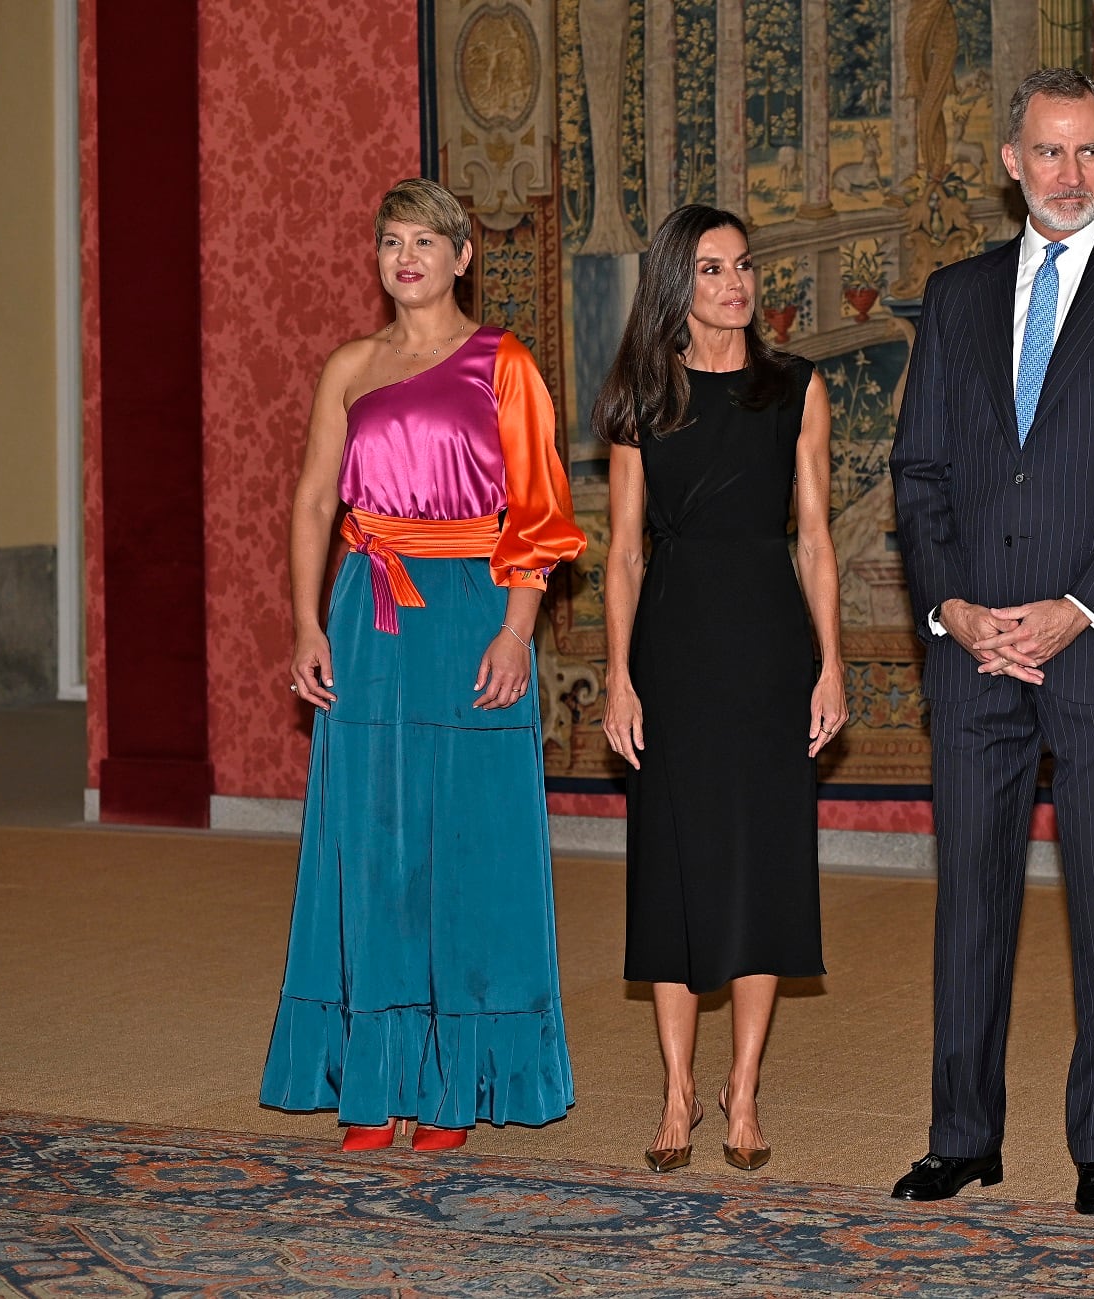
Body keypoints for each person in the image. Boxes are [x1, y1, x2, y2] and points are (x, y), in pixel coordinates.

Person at [887, 67, 1094, 1217]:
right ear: (1010, 162)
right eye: (1046, 152)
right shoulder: (955, 294)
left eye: (1086, 152)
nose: (1066, 174)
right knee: (969, 904)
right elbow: (919, 472)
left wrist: (1076, 608)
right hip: (973, 650)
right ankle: (961, 1136)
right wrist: (953, 608)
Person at [261, 178, 585, 1150]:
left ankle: (456, 1082)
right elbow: (314, 502)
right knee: (373, 842)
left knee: (469, 845)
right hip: (367, 613)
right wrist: (306, 624)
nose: (405, 259)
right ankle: (379, 1074)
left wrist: (516, 631)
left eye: (424, 242)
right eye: (390, 242)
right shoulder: (350, 366)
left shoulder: (504, 364)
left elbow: (538, 511)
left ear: (461, 257)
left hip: (474, 612)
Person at [594, 205, 844, 1175]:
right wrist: (619, 677)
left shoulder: (795, 389)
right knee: (672, 866)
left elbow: (814, 539)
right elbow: (622, 553)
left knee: (758, 866)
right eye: (711, 269)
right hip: (674, 649)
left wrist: (829, 663)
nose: (735, 284)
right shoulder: (641, 398)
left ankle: (742, 1087)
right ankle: (676, 1090)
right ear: (676, 282)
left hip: (768, 646)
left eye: (742, 266)